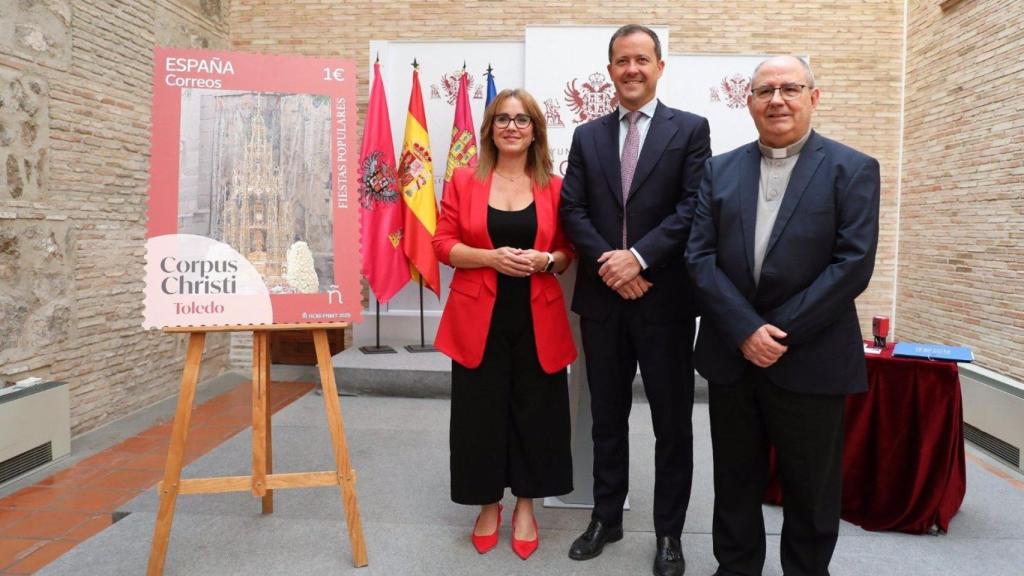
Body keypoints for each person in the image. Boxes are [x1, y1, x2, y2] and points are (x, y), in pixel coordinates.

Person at [685, 55, 880, 576]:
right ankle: (737, 568)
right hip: (732, 356)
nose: (777, 99)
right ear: (748, 102)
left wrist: (776, 332)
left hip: (812, 358)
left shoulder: (853, 169)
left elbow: (852, 265)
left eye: (790, 88)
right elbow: (698, 258)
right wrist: (745, 330)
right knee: (734, 482)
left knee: (812, 489)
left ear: (813, 98)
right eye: (764, 90)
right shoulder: (719, 170)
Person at [560, 24, 711, 576]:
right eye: (622, 60)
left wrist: (640, 259)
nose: (632, 69)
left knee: (673, 423)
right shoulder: (587, 136)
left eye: (641, 59)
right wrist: (612, 264)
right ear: (610, 71)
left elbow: (694, 208)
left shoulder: (690, 130)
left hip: (664, 301)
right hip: (603, 301)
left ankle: (669, 533)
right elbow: (572, 210)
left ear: (659, 66)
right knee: (606, 415)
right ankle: (606, 515)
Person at [433, 88, 576, 561]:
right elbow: (443, 244)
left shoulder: (555, 187)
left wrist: (545, 260)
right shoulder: (462, 180)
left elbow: (566, 253)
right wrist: (490, 258)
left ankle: (527, 507)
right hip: (478, 317)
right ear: (489, 128)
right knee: (479, 415)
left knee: (538, 413)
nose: (512, 127)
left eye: (522, 120)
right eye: (502, 119)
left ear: (535, 130)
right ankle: (489, 504)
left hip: (538, 315)